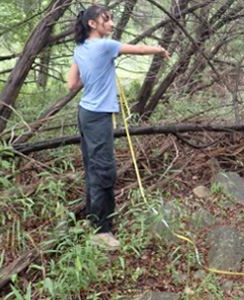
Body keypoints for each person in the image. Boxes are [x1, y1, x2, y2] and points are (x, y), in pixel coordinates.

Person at [67, 5, 170, 250]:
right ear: (93, 23)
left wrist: (94, 75)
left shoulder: (81, 48)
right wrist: (161, 48)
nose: (111, 24)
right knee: (104, 169)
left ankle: (93, 220)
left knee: (93, 166)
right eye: (106, 19)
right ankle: (101, 231)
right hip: (99, 116)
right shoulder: (105, 46)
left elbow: (72, 84)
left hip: (85, 114)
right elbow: (141, 49)